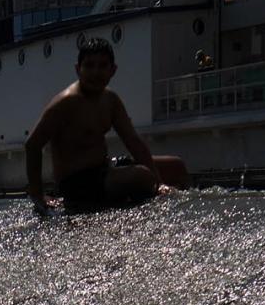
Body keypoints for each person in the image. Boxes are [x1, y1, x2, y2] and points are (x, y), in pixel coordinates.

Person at [26, 37, 191, 216]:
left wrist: (159, 182)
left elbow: (133, 141)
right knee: (142, 176)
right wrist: (38, 196)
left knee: (176, 166)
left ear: (113, 70)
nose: (95, 72)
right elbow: (32, 144)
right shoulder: (66, 103)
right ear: (77, 69)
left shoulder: (110, 100)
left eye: (102, 66)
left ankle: (181, 217)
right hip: (76, 182)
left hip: (105, 169)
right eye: (89, 65)